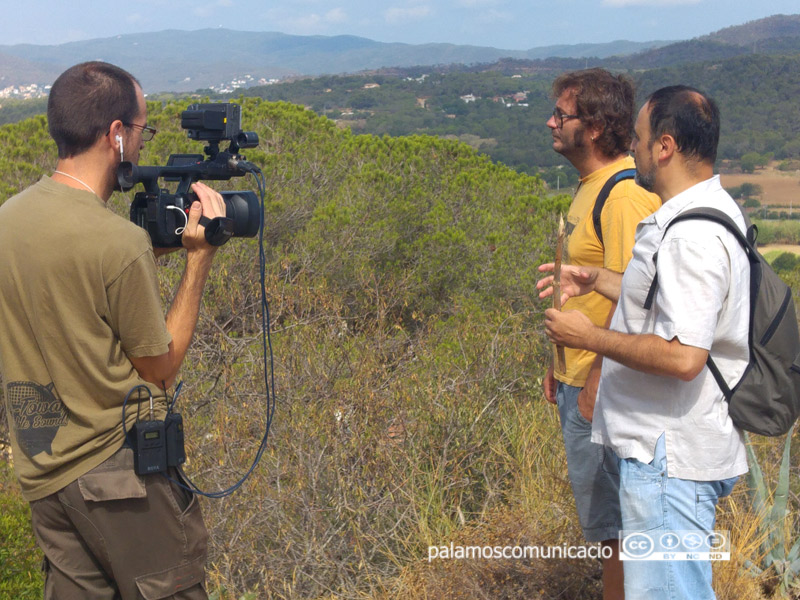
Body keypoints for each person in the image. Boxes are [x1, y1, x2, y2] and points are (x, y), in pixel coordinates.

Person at [0, 61, 224, 598]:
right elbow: (161, 366)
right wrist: (198, 261)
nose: (143, 143)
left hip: (44, 472)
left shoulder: (9, 218)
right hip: (118, 476)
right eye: (143, 130)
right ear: (116, 134)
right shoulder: (116, 243)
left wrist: (148, 255)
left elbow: (65, 292)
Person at [539, 86, 749, 600]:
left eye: (638, 137)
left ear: (665, 147)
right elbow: (664, 301)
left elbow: (683, 357)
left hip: (668, 458)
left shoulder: (690, 238)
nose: (630, 147)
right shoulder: (695, 214)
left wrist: (591, 338)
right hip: (667, 453)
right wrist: (597, 281)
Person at [543, 68, 660, 598]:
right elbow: (588, 288)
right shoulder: (594, 189)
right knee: (605, 527)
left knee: (615, 530)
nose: (550, 123)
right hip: (580, 379)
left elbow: (633, 299)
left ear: (592, 128)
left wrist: (592, 387)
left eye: (561, 115)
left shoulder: (623, 196)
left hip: (603, 389)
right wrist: (557, 366)